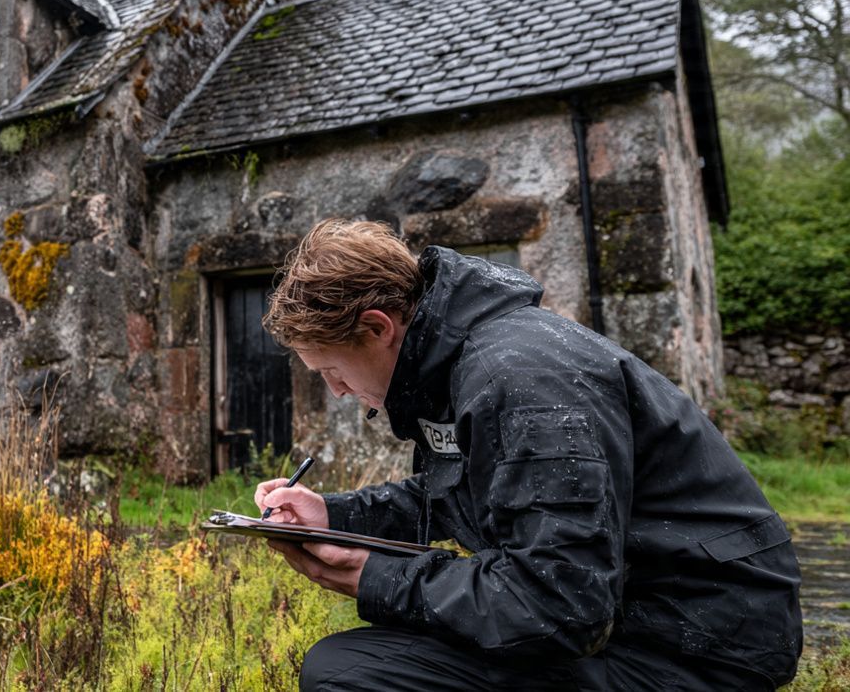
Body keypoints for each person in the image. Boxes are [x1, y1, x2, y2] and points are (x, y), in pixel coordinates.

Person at [254, 219, 801, 691]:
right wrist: (335, 515)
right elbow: (460, 489)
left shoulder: (516, 379)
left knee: (352, 675)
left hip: (694, 646)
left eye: (331, 370)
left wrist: (375, 575)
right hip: (646, 614)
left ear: (378, 327)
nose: (339, 392)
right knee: (362, 659)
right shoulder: (468, 361)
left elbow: (559, 606)